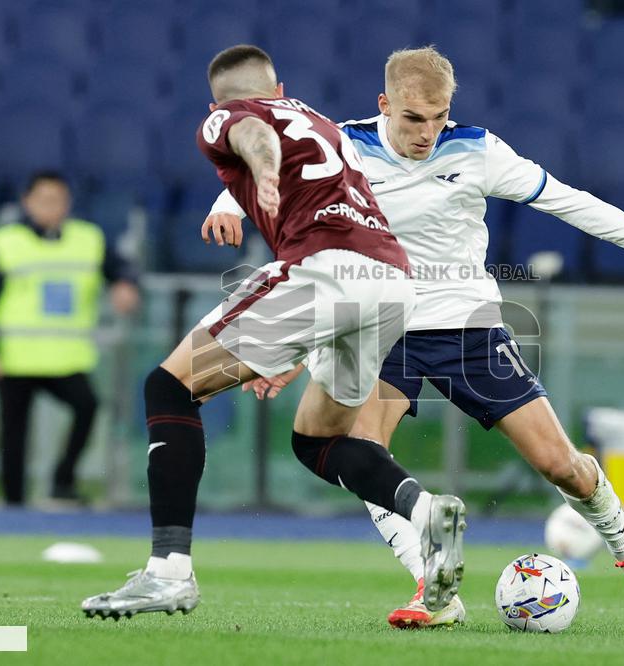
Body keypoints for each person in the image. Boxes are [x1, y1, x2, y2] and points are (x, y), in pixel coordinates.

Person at [205, 46, 624, 628]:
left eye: (438, 116)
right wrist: (226, 205)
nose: (427, 131)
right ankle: (433, 588)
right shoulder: (340, 145)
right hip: (382, 325)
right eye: (414, 118)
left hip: (467, 325)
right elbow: (267, 167)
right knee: (363, 451)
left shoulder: (477, 149)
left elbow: (569, 201)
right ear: (384, 105)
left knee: (560, 464)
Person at [81, 45, 466, 620]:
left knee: (169, 388)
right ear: (280, 86)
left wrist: (261, 170)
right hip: (387, 280)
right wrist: (295, 341)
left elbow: (251, 133)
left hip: (322, 270)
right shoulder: (321, 124)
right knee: (320, 441)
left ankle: (168, 572)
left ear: (219, 101)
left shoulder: (227, 117)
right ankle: (424, 507)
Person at [0, 170, 140, 506]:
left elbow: (121, 269)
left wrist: (125, 283)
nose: (52, 207)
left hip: (65, 356)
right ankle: (13, 505)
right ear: (27, 202)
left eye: (59, 200)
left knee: (87, 407)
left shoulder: (88, 239)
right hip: (16, 357)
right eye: (44, 200)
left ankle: (62, 480)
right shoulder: (6, 243)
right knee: (14, 434)